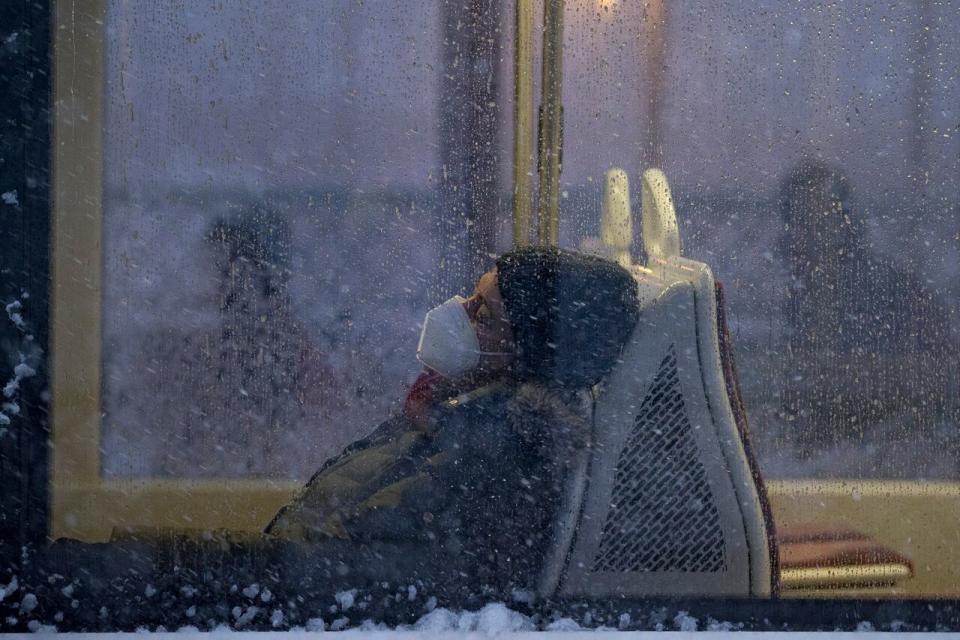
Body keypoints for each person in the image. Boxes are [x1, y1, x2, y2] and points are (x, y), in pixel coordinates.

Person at [266, 247, 640, 594]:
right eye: (470, 296)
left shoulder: (484, 458)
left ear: (524, 357)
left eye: (482, 315)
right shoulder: (454, 419)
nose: (456, 311)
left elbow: (331, 565)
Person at [778, 160, 957, 465]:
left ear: (843, 223)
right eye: (799, 220)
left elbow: (927, 378)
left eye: (818, 219)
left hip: (890, 450)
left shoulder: (882, 290)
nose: (805, 233)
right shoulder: (800, 296)